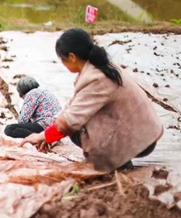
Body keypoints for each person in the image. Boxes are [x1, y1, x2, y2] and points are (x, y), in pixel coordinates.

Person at [22, 28, 163, 172]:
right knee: (73, 123)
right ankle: (117, 156)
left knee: (75, 130)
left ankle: (115, 160)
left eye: (62, 59)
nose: (63, 64)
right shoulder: (100, 67)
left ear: (72, 57)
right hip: (142, 132)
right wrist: (47, 135)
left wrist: (45, 135)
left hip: (139, 139)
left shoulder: (96, 78)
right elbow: (72, 104)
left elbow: (71, 120)